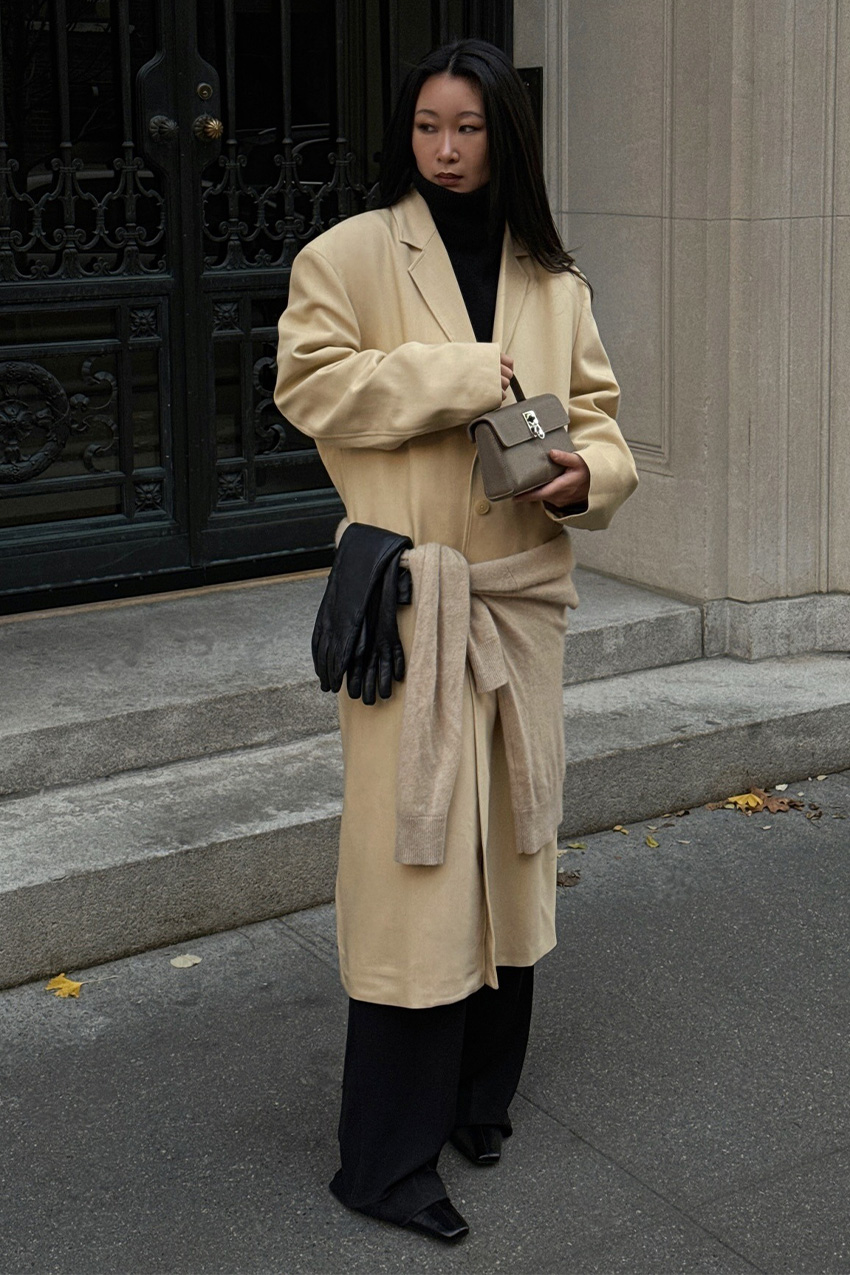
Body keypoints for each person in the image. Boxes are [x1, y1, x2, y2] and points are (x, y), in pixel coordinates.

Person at [274, 38, 638, 1244]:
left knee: (514, 843)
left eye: (469, 128)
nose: (445, 148)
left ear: (504, 138)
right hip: (412, 601)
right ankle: (382, 1160)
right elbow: (308, 384)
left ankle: (480, 1100)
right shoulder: (349, 255)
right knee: (413, 869)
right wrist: (457, 375)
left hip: (518, 597)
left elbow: (601, 419)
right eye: (429, 125)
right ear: (407, 132)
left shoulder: (554, 279)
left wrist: (589, 475)